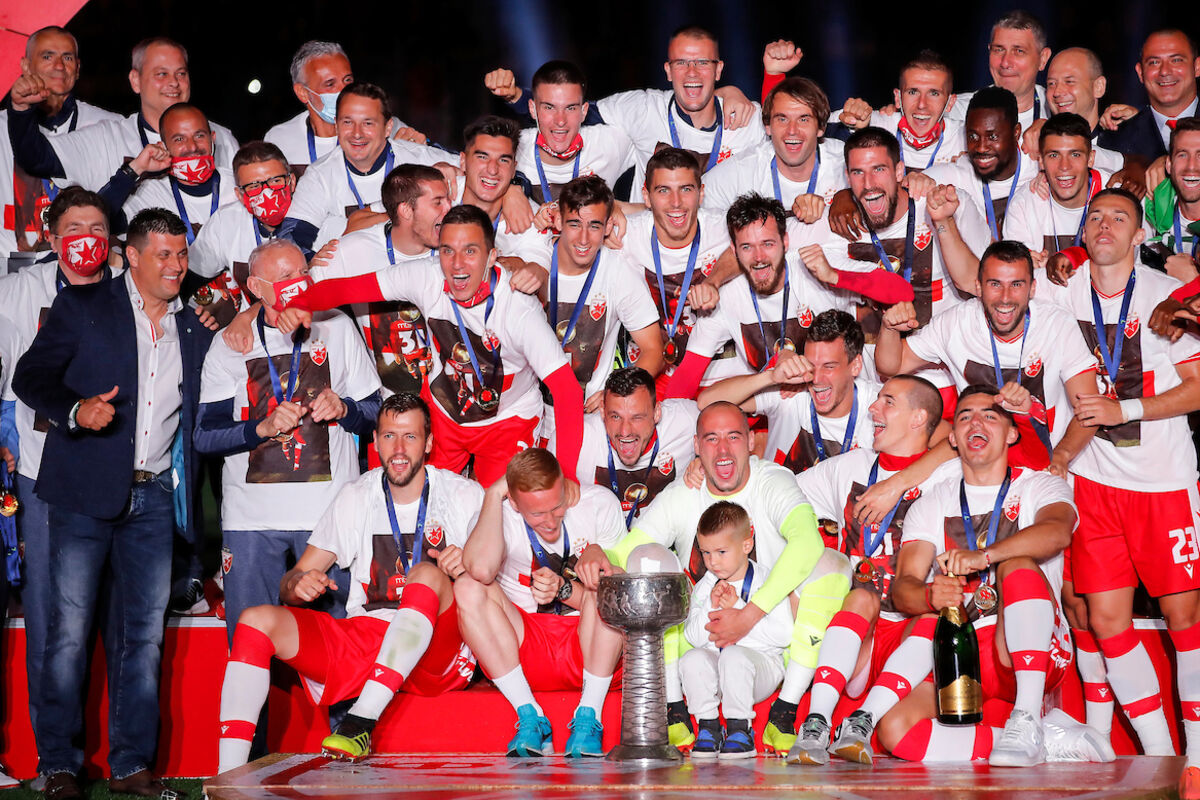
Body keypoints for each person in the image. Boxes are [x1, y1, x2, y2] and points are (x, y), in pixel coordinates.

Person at [12, 208, 213, 799]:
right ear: (133, 256)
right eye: (164, 255)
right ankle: (59, 765)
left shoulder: (194, 323)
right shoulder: (83, 305)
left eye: (182, 254)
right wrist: (76, 411)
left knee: (144, 636)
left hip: (154, 495)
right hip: (81, 491)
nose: (176, 265)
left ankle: (130, 766)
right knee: (69, 633)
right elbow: (30, 377)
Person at [216, 394, 482, 771]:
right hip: (370, 638)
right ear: (375, 441)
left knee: (425, 574)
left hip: (437, 649)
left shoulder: (464, 494)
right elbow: (291, 582)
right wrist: (298, 584)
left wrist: (469, 565)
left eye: (410, 436)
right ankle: (226, 780)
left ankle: (359, 723)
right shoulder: (357, 494)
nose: (399, 449)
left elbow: (493, 584)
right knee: (255, 620)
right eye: (389, 436)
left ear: (429, 443)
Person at [1037, 189, 1200, 796]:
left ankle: (1198, 758)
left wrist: (1124, 409)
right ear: (1084, 231)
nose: (1105, 225)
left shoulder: (1164, 297)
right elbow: (994, 282)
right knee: (1107, 620)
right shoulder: (1060, 292)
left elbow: (1198, 387)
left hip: (1162, 481)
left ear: (1139, 234)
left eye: (1120, 218)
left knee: (1185, 620)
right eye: (1096, 217)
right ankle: (1160, 757)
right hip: (1093, 482)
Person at [576, 401, 849, 752]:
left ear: (750, 441)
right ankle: (674, 708)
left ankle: (785, 710)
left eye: (733, 437)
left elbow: (809, 542)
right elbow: (628, 551)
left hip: (770, 643)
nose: (722, 450)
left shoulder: (773, 480)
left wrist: (748, 616)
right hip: (700, 644)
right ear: (696, 445)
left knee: (830, 565)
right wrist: (598, 551)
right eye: (711, 439)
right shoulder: (683, 492)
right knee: (649, 560)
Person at [864, 385, 1110, 766]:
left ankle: (1027, 717)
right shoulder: (933, 502)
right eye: (964, 417)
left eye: (989, 416)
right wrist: (930, 594)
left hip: (1033, 646)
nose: (975, 423)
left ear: (1012, 434)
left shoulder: (1039, 484)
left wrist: (985, 557)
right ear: (953, 438)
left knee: (1016, 565)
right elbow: (904, 588)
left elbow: (1057, 532)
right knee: (895, 729)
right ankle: (1044, 740)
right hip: (966, 651)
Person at [278, 204, 585, 485]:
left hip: (507, 421)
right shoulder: (426, 276)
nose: (457, 264)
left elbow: (567, 392)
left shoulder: (519, 310)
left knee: (503, 511)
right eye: (448, 251)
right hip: (444, 415)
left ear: (492, 256)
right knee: (422, 504)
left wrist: (568, 476)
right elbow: (348, 289)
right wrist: (301, 303)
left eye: (470, 251)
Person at [195, 238, 382, 644]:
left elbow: (375, 412)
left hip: (329, 518)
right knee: (250, 644)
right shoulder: (231, 343)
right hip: (251, 522)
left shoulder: (337, 325)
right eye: (285, 276)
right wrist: (259, 429)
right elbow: (205, 437)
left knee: (336, 647)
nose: (298, 282)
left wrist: (345, 408)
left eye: (303, 273)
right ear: (256, 288)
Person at [0, 187, 118, 778]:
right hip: (43, 471)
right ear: (51, 237)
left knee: (123, 616)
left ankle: (126, 756)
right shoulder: (19, 291)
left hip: (121, 470)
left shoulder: (131, 287)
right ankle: (58, 761)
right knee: (53, 620)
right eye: (73, 228)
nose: (85, 239)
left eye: (96, 227)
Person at [785, 374, 954, 764]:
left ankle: (862, 722)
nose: (873, 408)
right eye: (877, 400)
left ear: (918, 418)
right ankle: (816, 722)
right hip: (860, 635)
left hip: (914, 636)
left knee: (935, 617)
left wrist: (899, 484)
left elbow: (967, 437)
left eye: (888, 402)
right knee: (861, 594)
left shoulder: (949, 476)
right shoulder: (852, 465)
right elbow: (780, 490)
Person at [454, 448, 626, 757]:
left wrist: (598, 557)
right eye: (537, 514)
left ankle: (589, 717)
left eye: (557, 506)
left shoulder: (598, 503)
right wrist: (493, 494)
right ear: (514, 502)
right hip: (522, 648)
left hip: (591, 649)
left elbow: (628, 590)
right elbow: (480, 570)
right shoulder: (498, 513)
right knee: (468, 585)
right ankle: (530, 715)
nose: (549, 521)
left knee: (612, 582)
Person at [874, 240, 1098, 472]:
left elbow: (1089, 406)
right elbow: (891, 366)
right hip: (979, 465)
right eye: (995, 284)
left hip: (1043, 466)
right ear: (979, 287)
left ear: (1032, 288)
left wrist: (1062, 456)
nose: (1005, 297)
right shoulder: (955, 323)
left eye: (1016, 284)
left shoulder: (1057, 324)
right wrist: (889, 328)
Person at [665, 193, 898, 400]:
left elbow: (899, 289)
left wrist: (834, 276)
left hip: (846, 400)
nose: (759, 257)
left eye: (768, 244)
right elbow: (687, 376)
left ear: (785, 242)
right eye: (747, 247)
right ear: (734, 251)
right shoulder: (728, 297)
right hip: (780, 408)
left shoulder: (815, 266)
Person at [6, 37, 239, 192]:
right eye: (161, 74)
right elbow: (35, 158)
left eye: (181, 73)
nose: (174, 83)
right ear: (135, 81)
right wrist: (21, 109)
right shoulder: (108, 137)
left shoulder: (221, 139)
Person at [818, 127, 989, 330]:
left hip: (944, 344)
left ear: (899, 171)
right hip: (873, 347)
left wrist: (944, 223)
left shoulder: (947, 203)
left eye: (879, 169)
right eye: (858, 172)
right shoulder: (837, 221)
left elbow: (976, 285)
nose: (868, 184)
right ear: (848, 177)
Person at [309, 163, 452, 398]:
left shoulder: (457, 248)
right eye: (438, 202)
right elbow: (299, 297)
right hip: (393, 403)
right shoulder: (351, 251)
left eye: (448, 200)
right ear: (406, 211)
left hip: (453, 400)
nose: (449, 208)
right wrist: (249, 316)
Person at [276, 82, 448, 254]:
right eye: (348, 122)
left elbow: (465, 164)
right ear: (336, 125)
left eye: (368, 123)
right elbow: (290, 240)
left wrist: (453, 171)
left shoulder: (421, 159)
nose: (357, 133)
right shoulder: (319, 174)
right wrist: (312, 261)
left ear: (388, 127)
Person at [681, 501, 793, 759]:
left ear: (746, 545)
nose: (712, 562)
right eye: (706, 553)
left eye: (721, 552)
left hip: (760, 668)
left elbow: (783, 635)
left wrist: (740, 610)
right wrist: (710, 604)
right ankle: (708, 727)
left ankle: (740, 729)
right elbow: (693, 637)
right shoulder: (707, 584)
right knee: (692, 658)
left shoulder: (767, 580)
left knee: (733, 656)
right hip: (719, 673)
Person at [620, 147, 738, 389]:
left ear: (701, 193)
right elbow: (576, 227)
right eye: (663, 190)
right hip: (650, 373)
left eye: (686, 189)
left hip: (721, 376)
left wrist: (714, 280)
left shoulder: (724, 228)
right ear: (646, 196)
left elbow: (759, 245)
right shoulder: (625, 234)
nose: (676, 202)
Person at [0, 26, 121, 255]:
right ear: (26, 66)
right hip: (9, 266)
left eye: (67, 57)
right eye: (47, 56)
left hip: (87, 262)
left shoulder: (110, 127)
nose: (59, 66)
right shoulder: (1, 127)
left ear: (78, 68)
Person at [541, 175, 662, 405]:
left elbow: (654, 350)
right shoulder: (537, 260)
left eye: (594, 226)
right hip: (534, 408)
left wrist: (615, 393)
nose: (584, 238)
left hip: (592, 411)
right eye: (574, 224)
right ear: (558, 221)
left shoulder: (617, 271)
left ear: (607, 227)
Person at [701, 76, 847, 217]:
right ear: (768, 127)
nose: (792, 130)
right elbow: (696, 211)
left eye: (803, 120)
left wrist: (846, 197)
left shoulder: (845, 162)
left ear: (821, 128)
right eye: (782, 119)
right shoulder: (740, 172)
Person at [576, 367, 698, 524]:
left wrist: (705, 460)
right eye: (615, 417)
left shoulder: (685, 421)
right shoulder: (578, 438)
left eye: (637, 417)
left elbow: (726, 427)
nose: (625, 431)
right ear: (602, 411)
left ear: (656, 413)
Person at [104, 102, 236, 238]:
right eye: (179, 139)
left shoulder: (237, 185)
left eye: (199, 135)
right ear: (164, 146)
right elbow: (98, 221)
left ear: (212, 138)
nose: (192, 147)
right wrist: (136, 167)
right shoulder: (152, 192)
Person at [188, 141, 298, 304]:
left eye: (275, 181)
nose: (267, 193)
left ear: (292, 182)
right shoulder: (226, 221)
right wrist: (211, 307)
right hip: (253, 320)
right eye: (254, 186)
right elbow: (192, 281)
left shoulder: (318, 219)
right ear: (240, 195)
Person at [923, 88, 1039, 242]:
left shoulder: (1038, 170)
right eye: (973, 136)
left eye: (992, 137)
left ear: (1016, 133)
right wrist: (915, 181)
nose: (981, 147)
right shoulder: (954, 177)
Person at [512, 60, 636, 204]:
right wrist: (509, 190)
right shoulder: (513, 147)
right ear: (533, 109)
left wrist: (617, 208)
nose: (560, 121)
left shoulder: (610, 142)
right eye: (549, 107)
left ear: (584, 111)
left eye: (570, 108)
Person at [834, 50, 965, 174]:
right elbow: (823, 124)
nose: (922, 104)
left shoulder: (966, 138)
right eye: (913, 92)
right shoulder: (874, 125)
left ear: (950, 103)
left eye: (934, 93)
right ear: (898, 98)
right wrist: (851, 127)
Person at [1005, 113, 1107, 260]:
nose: (1064, 166)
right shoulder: (1024, 203)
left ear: (1090, 159)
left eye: (1075, 154)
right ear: (1041, 161)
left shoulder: (1116, 195)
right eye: (1054, 155)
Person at [1099, 30, 1200, 162]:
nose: (1164, 71)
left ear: (1197, 67)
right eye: (1154, 62)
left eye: (1176, 60)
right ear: (1140, 72)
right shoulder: (1114, 142)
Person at [1020, 49, 1126, 175]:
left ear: (1099, 87)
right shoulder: (1033, 144)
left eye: (1069, 82)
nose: (1057, 92)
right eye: (1051, 83)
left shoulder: (1126, 145)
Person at [947, 10, 1051, 132]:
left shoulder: (1057, 111)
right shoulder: (956, 113)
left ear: (1043, 59)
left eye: (1019, 51)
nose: (1005, 63)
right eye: (998, 50)